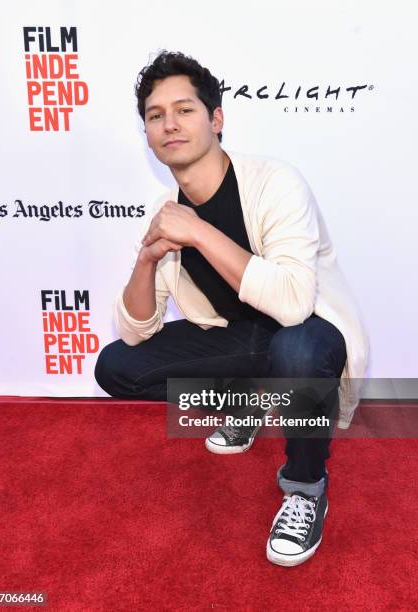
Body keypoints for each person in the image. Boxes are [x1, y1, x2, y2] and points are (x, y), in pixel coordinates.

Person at [95, 50, 369, 567]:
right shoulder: (166, 213)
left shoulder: (275, 183)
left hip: (307, 330)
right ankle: (246, 401)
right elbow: (135, 331)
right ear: (148, 135)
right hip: (238, 341)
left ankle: (306, 488)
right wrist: (148, 258)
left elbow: (292, 304)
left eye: (184, 110)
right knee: (115, 366)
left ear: (216, 119)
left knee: (297, 350)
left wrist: (198, 231)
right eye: (155, 116)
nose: (169, 124)